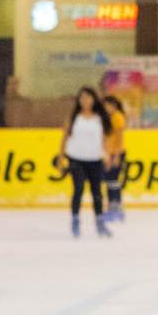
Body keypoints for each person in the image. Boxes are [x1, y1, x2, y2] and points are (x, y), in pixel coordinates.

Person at [58, 87, 112, 238]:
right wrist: (61, 158)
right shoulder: (74, 118)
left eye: (88, 97)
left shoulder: (100, 118)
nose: (85, 101)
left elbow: (104, 139)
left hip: (95, 159)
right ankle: (75, 221)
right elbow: (64, 138)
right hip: (76, 159)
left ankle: (99, 222)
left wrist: (107, 154)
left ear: (94, 99)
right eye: (82, 98)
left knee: (97, 192)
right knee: (78, 189)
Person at [101, 94, 128, 223]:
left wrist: (116, 156)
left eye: (107, 106)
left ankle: (116, 207)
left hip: (116, 153)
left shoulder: (118, 117)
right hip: (108, 153)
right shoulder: (106, 118)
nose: (105, 108)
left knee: (113, 180)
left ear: (114, 106)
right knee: (109, 180)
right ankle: (113, 207)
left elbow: (119, 138)